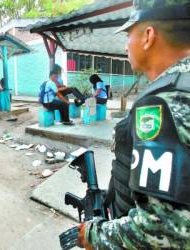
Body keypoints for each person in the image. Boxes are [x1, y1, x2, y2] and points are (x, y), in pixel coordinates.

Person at [77, 0, 190, 249]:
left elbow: (160, 230)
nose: (126, 44)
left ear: (148, 36)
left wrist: (94, 235)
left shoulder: (165, 101)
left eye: (129, 34)